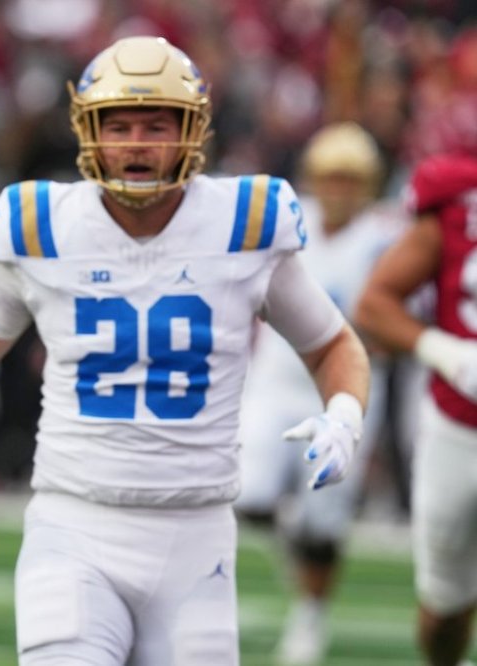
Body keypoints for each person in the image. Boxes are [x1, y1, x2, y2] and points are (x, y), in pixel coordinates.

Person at [0, 35, 371, 666]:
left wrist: (344, 416)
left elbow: (332, 346)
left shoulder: (246, 223)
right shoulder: (43, 223)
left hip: (197, 532)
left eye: (158, 124)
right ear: (87, 133)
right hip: (74, 525)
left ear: (193, 131)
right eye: (118, 125)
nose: (136, 143)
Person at [233, 121, 404, 665]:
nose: (339, 189)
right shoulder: (286, 219)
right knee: (246, 496)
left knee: (324, 524)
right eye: (331, 177)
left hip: (340, 389)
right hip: (273, 381)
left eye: (350, 179)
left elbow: (395, 311)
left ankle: (310, 614)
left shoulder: (383, 238)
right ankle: (295, 554)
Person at [354, 98, 477, 666]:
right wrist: (446, 351)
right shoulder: (457, 199)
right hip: (461, 425)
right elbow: (375, 303)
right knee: (446, 605)